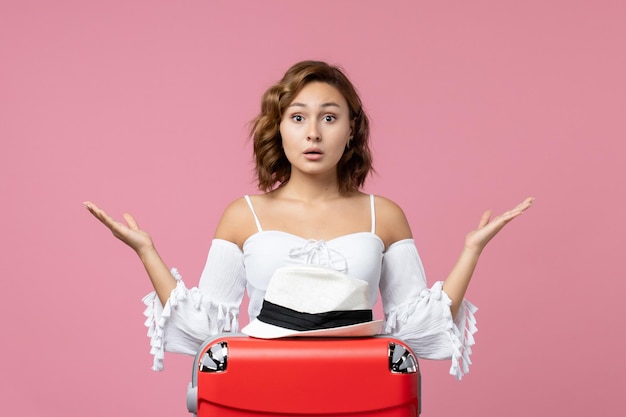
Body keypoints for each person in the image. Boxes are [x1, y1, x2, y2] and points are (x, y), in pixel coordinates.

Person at [84, 60, 533, 379]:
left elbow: (415, 331)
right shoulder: (245, 215)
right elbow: (208, 334)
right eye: (298, 117)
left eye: (329, 117)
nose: (313, 132)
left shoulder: (386, 215)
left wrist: (471, 251)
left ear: (351, 128)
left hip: (362, 389)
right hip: (262, 387)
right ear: (280, 127)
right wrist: (147, 252)